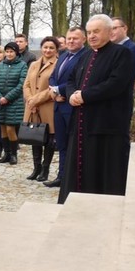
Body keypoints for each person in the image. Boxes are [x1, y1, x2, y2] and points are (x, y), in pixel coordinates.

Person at [58, 14, 135, 204]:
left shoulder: (121, 53)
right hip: (82, 125)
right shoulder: (86, 55)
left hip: (106, 125)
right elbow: (71, 80)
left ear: (110, 32)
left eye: (96, 31)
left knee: (103, 169)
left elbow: (116, 84)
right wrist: (71, 95)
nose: (92, 36)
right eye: (89, 32)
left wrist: (84, 96)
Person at [45, 26, 89, 187]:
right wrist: (54, 90)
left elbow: (77, 80)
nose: (71, 41)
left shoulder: (86, 57)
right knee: (61, 143)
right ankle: (61, 176)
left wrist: (59, 89)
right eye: (69, 38)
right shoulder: (63, 56)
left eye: (75, 38)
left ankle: (72, 177)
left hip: (71, 107)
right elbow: (53, 77)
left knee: (73, 144)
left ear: (83, 39)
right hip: (58, 105)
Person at [23, 37, 59, 181]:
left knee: (48, 139)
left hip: (47, 106)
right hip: (32, 107)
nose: (48, 50)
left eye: (51, 48)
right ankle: (36, 168)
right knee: (34, 137)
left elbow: (53, 88)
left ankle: (45, 169)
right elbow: (26, 84)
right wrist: (30, 100)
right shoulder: (34, 64)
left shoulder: (57, 64)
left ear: (56, 50)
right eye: (45, 47)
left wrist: (35, 100)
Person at [0, 42, 28, 165]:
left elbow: (21, 84)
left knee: (11, 128)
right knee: (3, 129)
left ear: (16, 52)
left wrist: (7, 97)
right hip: (0, 102)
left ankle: (13, 154)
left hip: (14, 102)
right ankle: (6, 153)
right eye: (7, 51)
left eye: (12, 51)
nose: (9, 54)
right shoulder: (1, 66)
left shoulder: (22, 65)